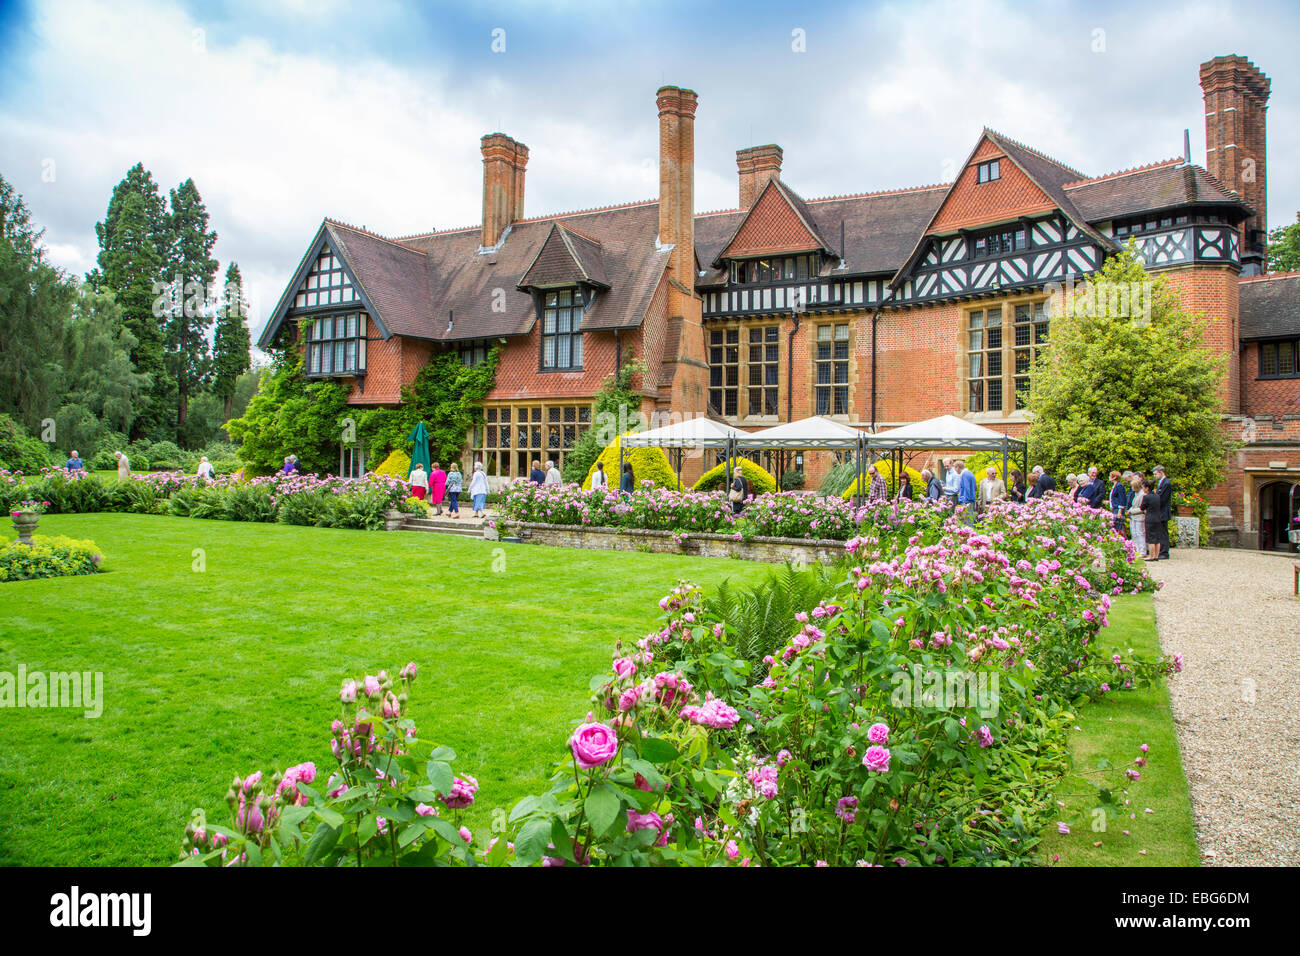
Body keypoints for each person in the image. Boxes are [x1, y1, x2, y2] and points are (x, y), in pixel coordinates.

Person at [1140, 477, 1165, 562]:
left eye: (1143, 487)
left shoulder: (1146, 497)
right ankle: (1156, 556)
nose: (1143, 489)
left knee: (1151, 538)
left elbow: (1142, 507)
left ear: (1147, 488)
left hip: (1150, 518)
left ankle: (1151, 556)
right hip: (1158, 518)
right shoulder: (1157, 496)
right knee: (1157, 538)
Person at [1154, 465, 1173, 559]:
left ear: (1161, 472)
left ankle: (1164, 552)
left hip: (1163, 512)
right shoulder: (1162, 483)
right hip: (1160, 511)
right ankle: (1161, 550)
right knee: (1160, 532)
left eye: (1156, 474)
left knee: (1163, 532)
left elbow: (1162, 499)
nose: (1155, 476)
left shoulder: (1166, 483)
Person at [1127, 473, 1147, 552]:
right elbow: (1133, 504)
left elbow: (1141, 508)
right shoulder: (1136, 494)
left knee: (1140, 533)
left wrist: (1131, 511)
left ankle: (1142, 550)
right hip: (1134, 516)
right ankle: (1136, 549)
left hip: (1139, 517)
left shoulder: (1142, 494)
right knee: (1134, 534)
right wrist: (1130, 510)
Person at [1108, 470, 1127, 534]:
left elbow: (1122, 499)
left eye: (1110, 476)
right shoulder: (1115, 486)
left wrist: (1120, 511)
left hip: (1117, 510)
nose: (1109, 477)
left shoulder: (1119, 486)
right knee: (1113, 527)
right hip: (1114, 508)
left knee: (1117, 528)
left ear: (1114, 477)